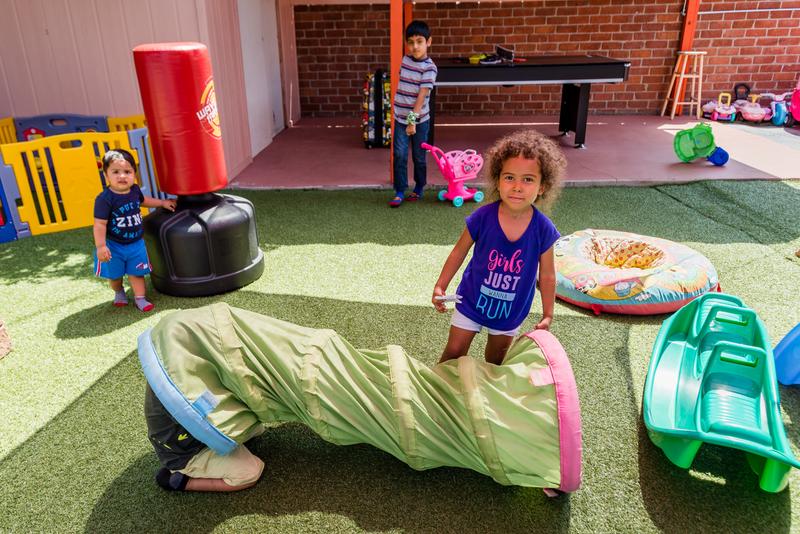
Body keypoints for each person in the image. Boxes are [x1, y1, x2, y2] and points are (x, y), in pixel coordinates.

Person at [432, 130, 566, 365]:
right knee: (453, 352)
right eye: (509, 177)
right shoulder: (483, 217)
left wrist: (548, 314)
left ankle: (486, 396)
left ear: (542, 187)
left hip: (510, 310)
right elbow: (458, 251)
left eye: (528, 179)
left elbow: (547, 275)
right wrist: (440, 286)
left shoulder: (543, 229)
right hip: (471, 300)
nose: (517, 187)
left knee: (495, 360)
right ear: (498, 179)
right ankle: (438, 391)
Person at [92, 149, 175, 311]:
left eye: (127, 172)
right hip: (114, 246)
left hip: (136, 244)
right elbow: (100, 224)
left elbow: (144, 201)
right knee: (115, 276)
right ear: (106, 176)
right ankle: (119, 292)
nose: (122, 176)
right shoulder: (104, 199)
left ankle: (140, 298)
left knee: (136, 273)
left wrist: (162, 203)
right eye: (115, 172)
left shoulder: (135, 190)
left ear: (134, 174)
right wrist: (101, 246)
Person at [145, 384, 265, 492]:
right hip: (188, 453)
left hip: (203, 428)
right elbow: (203, 420)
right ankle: (183, 482)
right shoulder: (174, 390)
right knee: (250, 472)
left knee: (257, 426)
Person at [389, 20, 437, 208]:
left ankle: (419, 188)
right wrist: (403, 117)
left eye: (419, 41)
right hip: (399, 117)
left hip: (419, 120)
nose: (415, 46)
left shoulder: (430, 68)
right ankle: (400, 190)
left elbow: (421, 98)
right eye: (411, 42)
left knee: (418, 155)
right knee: (400, 155)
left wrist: (412, 122)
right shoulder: (405, 59)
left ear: (428, 42)